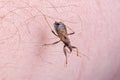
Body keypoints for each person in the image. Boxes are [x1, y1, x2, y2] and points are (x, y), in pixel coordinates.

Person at [0, 0, 120, 80]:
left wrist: (72, 52)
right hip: (60, 29)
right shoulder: (65, 43)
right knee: (55, 35)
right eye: (69, 48)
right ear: (68, 46)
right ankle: (47, 21)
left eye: (69, 48)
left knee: (64, 37)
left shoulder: (67, 44)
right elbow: (66, 46)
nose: (69, 48)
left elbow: (69, 46)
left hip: (62, 30)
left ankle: (50, 25)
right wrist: (65, 57)